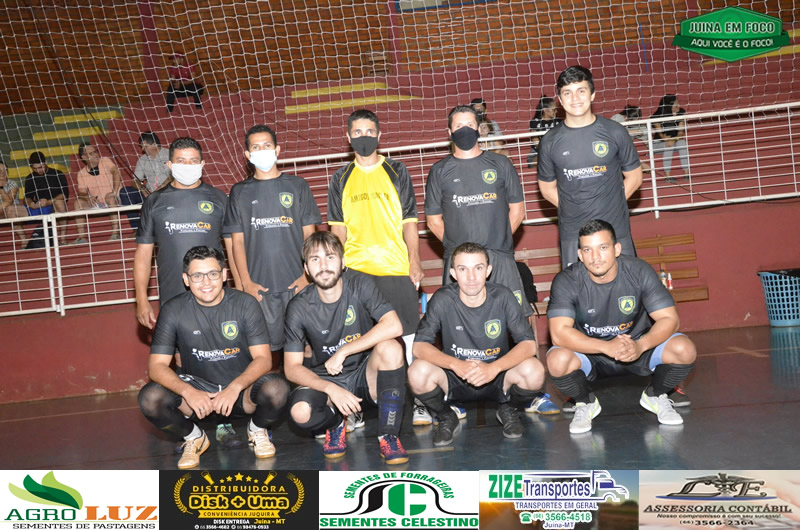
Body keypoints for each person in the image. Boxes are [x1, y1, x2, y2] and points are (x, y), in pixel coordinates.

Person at [426, 104, 551, 415]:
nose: (465, 129)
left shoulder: (501, 164)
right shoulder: (440, 171)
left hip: (499, 257)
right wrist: (459, 253)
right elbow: (433, 220)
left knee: (521, 321)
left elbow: (517, 210)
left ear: (480, 128)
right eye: (459, 125)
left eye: (470, 124)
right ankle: (456, 396)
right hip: (460, 262)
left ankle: (533, 391)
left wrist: (498, 244)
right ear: (449, 132)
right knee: (453, 324)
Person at [137, 246, 289, 469]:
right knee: (151, 398)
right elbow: (156, 366)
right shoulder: (173, 310)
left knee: (277, 389)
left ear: (224, 274)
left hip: (239, 393)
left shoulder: (246, 304)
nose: (206, 282)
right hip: (197, 398)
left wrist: (235, 387)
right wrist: (188, 391)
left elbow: (264, 359)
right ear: (186, 279)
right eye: (197, 276)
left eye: (212, 274)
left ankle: (257, 430)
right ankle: (194, 437)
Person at [133, 136, 241, 447]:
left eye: (194, 161)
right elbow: (143, 254)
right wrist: (141, 300)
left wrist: (240, 286)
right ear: (170, 164)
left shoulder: (218, 198)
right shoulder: (154, 202)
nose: (188, 166)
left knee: (220, 356)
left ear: (203, 164)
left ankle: (223, 422)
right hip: (174, 300)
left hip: (216, 298)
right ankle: (192, 428)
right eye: (181, 161)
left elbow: (233, 248)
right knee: (182, 362)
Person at [546, 219, 696, 434]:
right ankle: (584, 402)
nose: (595, 257)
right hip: (591, 353)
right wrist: (606, 347)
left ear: (617, 249)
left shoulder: (639, 271)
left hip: (637, 346)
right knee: (557, 360)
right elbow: (559, 334)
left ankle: (656, 395)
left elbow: (670, 319)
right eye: (587, 250)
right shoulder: (567, 281)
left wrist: (641, 345)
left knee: (684, 349)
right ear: (580, 255)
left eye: (603, 247)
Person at [327, 109, 423, 427]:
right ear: (348, 137)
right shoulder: (340, 178)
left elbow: (410, 221)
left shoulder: (397, 170)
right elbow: (337, 229)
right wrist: (337, 268)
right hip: (356, 271)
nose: (364, 136)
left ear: (379, 135)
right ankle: (352, 407)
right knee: (357, 340)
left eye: (369, 131)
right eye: (357, 132)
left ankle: (419, 400)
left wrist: (414, 260)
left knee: (408, 337)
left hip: (395, 268)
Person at [284, 231, 408, 464]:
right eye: (315, 259)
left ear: (342, 263)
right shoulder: (298, 307)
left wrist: (344, 351)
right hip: (326, 378)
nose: (324, 266)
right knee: (300, 412)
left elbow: (394, 325)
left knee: (391, 348)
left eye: (330, 257)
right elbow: (291, 368)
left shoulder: (360, 284)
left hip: (365, 376)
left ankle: (389, 436)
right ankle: (335, 423)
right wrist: (331, 389)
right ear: (306, 269)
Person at [410, 243, 545, 445]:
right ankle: (446, 416)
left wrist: (494, 368)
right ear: (453, 273)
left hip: (497, 376)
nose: (471, 277)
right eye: (463, 269)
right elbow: (419, 346)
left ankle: (508, 409)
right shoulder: (443, 299)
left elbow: (528, 344)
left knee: (534, 371)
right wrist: (456, 364)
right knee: (417, 372)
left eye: (478, 268)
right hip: (456, 376)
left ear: (488, 271)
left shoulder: (503, 296)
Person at [225, 124, 321, 355]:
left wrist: (307, 277)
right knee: (263, 354)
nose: (262, 151)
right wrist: (245, 283)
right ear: (248, 155)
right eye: (256, 147)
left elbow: (310, 235)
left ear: (277, 150)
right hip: (259, 288)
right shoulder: (239, 192)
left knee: (307, 348)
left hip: (297, 284)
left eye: (267, 145)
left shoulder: (298, 186)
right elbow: (237, 242)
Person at [537, 65, 643, 270]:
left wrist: (612, 205)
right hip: (573, 233)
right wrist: (574, 208)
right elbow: (546, 188)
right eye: (567, 93)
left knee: (626, 286)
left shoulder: (615, 132)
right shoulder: (549, 141)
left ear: (592, 95)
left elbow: (635, 177)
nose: (575, 98)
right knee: (579, 289)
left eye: (581, 91)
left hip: (615, 229)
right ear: (560, 100)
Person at [73, 143, 122, 241]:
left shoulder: (105, 161)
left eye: (95, 152)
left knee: (110, 197)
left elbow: (116, 172)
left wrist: (114, 192)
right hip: (98, 203)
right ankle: (82, 237)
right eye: (91, 153)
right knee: (77, 203)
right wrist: (87, 197)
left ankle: (115, 233)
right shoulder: (81, 173)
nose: (95, 155)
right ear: (83, 157)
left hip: (115, 198)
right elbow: (81, 193)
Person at [23, 151, 70, 245]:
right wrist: (31, 204)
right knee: (12, 210)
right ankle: (24, 242)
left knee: (59, 202)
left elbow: (64, 195)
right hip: (38, 207)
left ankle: (63, 238)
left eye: (40, 167)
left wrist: (48, 202)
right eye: (35, 168)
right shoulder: (30, 178)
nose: (38, 171)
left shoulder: (57, 174)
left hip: (53, 206)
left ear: (46, 162)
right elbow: (27, 197)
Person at [651, 95, 690, 182]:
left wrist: (673, 139)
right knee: (669, 145)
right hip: (658, 144)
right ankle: (667, 176)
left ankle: (686, 174)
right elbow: (661, 135)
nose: (678, 106)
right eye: (676, 104)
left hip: (674, 140)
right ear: (669, 106)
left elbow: (680, 133)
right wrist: (668, 140)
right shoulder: (657, 116)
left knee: (682, 143)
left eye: (678, 103)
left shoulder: (681, 113)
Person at [610, 105, 651, 174]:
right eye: (636, 119)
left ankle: (637, 165)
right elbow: (614, 132)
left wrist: (653, 148)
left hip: (625, 149)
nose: (637, 122)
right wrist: (633, 131)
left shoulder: (638, 126)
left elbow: (647, 141)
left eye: (639, 119)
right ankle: (640, 164)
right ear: (627, 117)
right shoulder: (618, 117)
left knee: (628, 146)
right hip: (612, 144)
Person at [0, 161, 30, 247]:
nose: (3, 173)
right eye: (0, 170)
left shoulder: (12, 183)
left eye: (5, 170)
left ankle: (24, 239)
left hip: (14, 211)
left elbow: (9, 201)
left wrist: (0, 188)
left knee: (9, 208)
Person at [527, 95, 562, 167]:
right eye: (554, 109)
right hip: (537, 152)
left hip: (555, 151)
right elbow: (536, 142)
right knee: (540, 161)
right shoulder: (535, 122)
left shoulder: (558, 122)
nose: (556, 111)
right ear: (545, 110)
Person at [133, 131, 171, 197]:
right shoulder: (142, 160)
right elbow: (135, 180)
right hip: (149, 193)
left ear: (154, 145)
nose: (143, 149)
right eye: (142, 147)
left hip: (168, 191)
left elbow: (174, 176)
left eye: (145, 146)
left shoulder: (170, 155)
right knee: (125, 191)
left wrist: (159, 189)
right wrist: (143, 190)